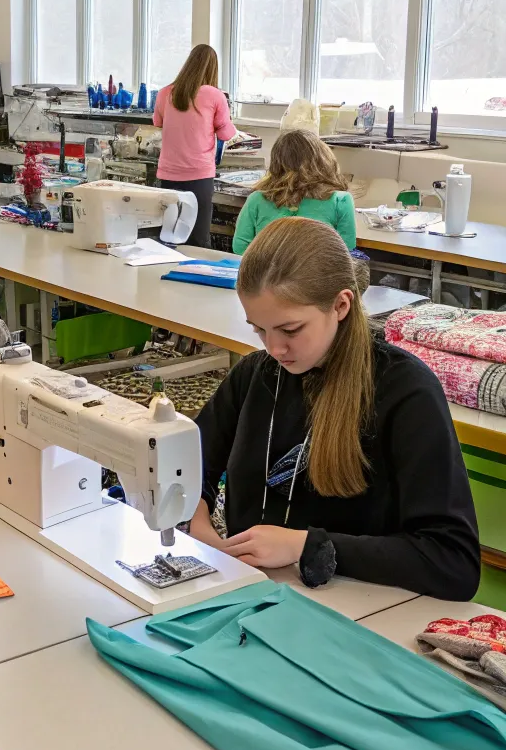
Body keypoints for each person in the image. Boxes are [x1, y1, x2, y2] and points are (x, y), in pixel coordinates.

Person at [188, 216, 480, 600]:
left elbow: (454, 561)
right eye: (259, 329)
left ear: (341, 305)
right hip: (256, 597)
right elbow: (191, 465)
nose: (274, 349)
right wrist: (198, 524)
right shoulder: (256, 375)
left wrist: (305, 545)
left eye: (290, 330)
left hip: (358, 613)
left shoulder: (404, 392)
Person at [153, 44, 235, 249]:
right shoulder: (215, 95)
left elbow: (157, 122)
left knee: (169, 233)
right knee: (198, 238)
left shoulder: (165, 93)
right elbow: (226, 133)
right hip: (199, 175)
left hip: (168, 173)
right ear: (213, 69)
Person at [232, 129, 356, 254]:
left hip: (268, 272)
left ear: (275, 165)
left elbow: (240, 247)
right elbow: (346, 250)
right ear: (323, 159)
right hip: (317, 272)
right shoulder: (341, 201)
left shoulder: (257, 199)